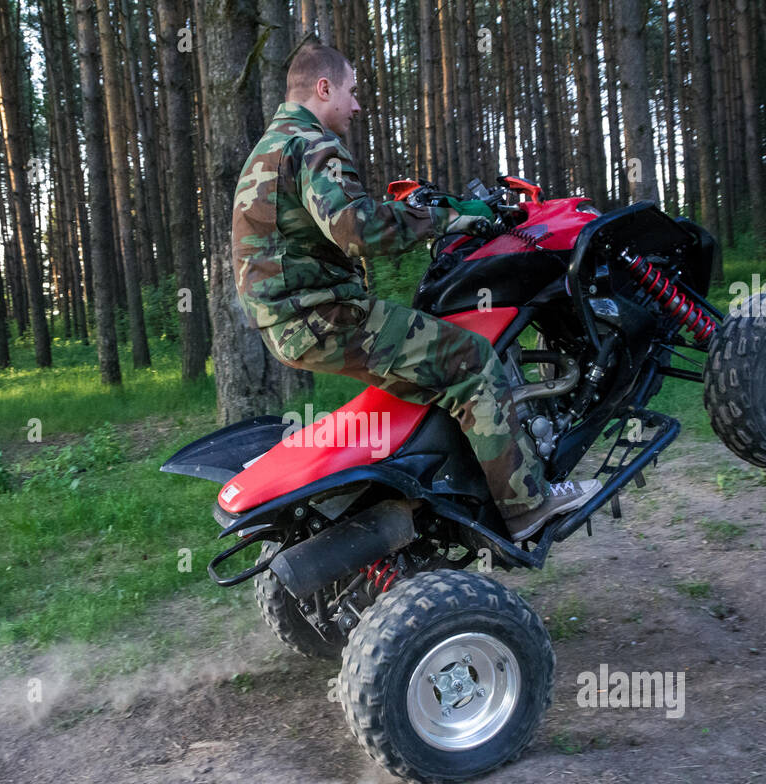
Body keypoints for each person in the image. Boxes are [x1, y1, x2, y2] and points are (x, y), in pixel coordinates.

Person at [230, 42, 599, 542]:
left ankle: (449, 499)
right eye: (351, 92)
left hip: (290, 322)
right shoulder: (314, 144)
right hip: (324, 316)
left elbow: (321, 225)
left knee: (433, 373)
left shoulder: (270, 149)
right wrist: (451, 217)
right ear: (323, 88)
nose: (357, 106)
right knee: (472, 361)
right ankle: (527, 505)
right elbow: (357, 229)